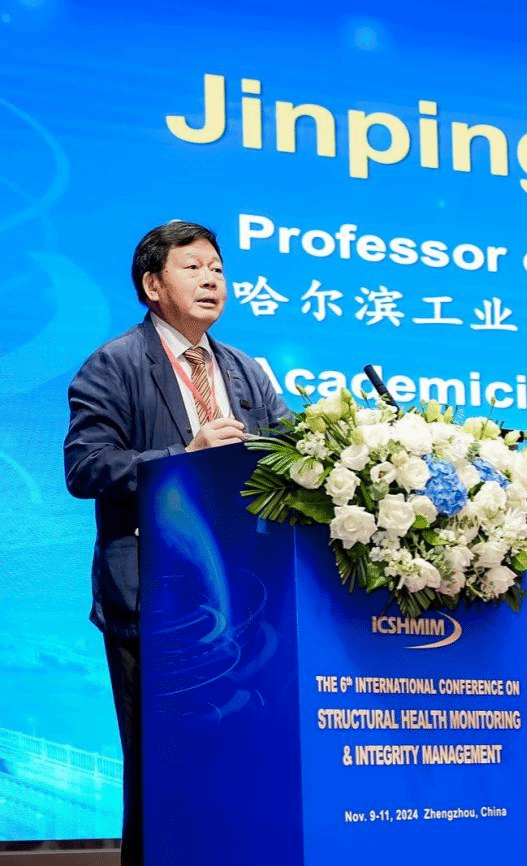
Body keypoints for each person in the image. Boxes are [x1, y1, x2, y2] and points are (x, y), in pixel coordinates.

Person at [63, 221, 288, 865]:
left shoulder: (245, 370)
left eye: (217, 267)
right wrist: (183, 458)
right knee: (160, 776)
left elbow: (288, 457)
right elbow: (85, 467)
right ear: (152, 285)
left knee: (241, 770)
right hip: (155, 602)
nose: (212, 279)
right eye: (193, 267)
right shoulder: (115, 363)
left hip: (243, 600)